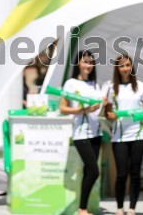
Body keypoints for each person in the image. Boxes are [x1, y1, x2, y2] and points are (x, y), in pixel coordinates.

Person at [103, 54, 143, 215]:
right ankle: (119, 207)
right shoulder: (110, 87)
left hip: (138, 136)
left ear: (132, 67)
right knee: (122, 173)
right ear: (117, 68)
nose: (125, 68)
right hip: (119, 137)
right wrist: (112, 115)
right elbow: (107, 113)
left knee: (135, 173)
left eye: (128, 65)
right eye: (122, 66)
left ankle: (132, 208)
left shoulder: (141, 87)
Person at [59, 50, 102, 215]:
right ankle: (82, 208)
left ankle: (83, 208)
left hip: (96, 133)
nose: (88, 65)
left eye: (91, 62)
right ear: (78, 63)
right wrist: (83, 110)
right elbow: (62, 108)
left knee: (88, 171)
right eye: (85, 62)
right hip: (80, 133)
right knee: (94, 171)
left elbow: (98, 110)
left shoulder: (95, 85)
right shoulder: (70, 83)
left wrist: (103, 104)